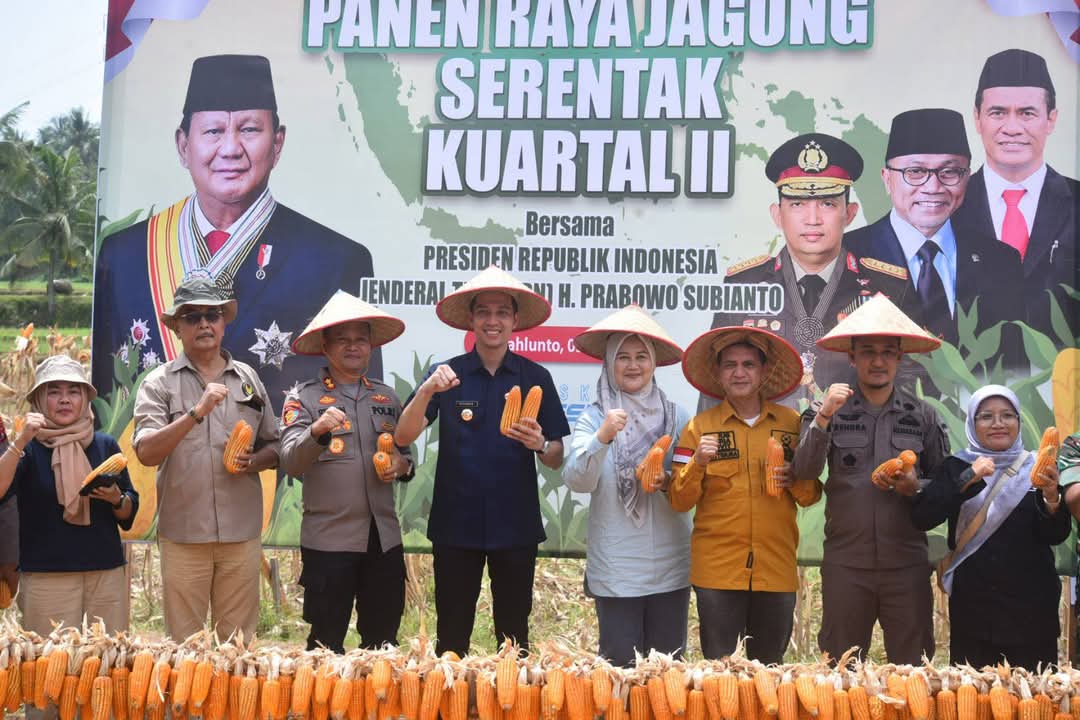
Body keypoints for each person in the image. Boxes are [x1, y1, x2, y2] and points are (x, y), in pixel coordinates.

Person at [92, 53, 378, 436]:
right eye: (213, 131)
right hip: (157, 469)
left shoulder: (337, 261)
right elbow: (105, 400)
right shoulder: (125, 254)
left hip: (271, 467)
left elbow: (361, 397)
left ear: (278, 143)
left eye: (249, 129)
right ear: (183, 145)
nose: (230, 149)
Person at [395, 265, 571, 656]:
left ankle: (511, 691)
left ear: (515, 321)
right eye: (484, 313)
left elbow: (556, 458)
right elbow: (403, 436)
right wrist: (425, 391)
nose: (493, 321)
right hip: (456, 524)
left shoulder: (535, 377)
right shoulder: (447, 375)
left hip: (516, 525)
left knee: (514, 636)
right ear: (471, 320)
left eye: (502, 313)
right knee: (451, 635)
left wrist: (541, 444)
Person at [706, 133, 922, 412]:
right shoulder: (744, 284)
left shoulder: (888, 287)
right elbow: (715, 384)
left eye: (827, 203)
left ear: (850, 213)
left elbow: (913, 383)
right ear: (777, 214)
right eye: (797, 204)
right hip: (763, 436)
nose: (812, 219)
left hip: (856, 435)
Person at [791, 294, 948, 664]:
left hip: (906, 564)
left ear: (900, 358)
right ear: (852, 357)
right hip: (847, 563)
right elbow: (804, 472)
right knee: (841, 670)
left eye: (887, 353)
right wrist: (824, 417)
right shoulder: (828, 410)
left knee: (911, 669)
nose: (878, 362)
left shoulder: (923, 416)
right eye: (868, 352)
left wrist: (915, 488)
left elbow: (945, 488)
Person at [133, 277, 279, 641]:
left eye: (212, 315)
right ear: (177, 328)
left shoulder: (247, 379)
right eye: (192, 317)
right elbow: (146, 452)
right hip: (184, 533)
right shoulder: (159, 383)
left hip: (240, 532)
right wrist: (195, 413)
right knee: (185, 645)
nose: (204, 324)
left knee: (237, 644)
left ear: (223, 323)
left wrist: (255, 461)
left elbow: (276, 446)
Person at [671, 326, 820, 663]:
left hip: (775, 568)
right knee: (720, 671)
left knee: (769, 671)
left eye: (749, 364)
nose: (739, 373)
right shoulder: (698, 428)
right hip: (717, 571)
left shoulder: (792, 425)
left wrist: (794, 477)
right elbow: (679, 500)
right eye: (730, 365)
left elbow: (810, 496)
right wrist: (697, 463)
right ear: (718, 373)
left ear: (764, 372)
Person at [280, 290, 414, 652]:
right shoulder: (303, 399)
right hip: (329, 542)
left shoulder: (388, 398)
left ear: (371, 346)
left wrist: (401, 465)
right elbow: (290, 460)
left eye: (360, 339)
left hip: (383, 539)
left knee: (383, 644)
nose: (353, 346)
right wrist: (317, 431)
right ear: (325, 347)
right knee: (325, 645)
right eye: (342, 339)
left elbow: (406, 457)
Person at [561, 305, 692, 667]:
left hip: (671, 563)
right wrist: (602, 437)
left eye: (641, 357)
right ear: (609, 363)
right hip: (616, 565)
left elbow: (691, 481)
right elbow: (577, 480)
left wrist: (667, 481)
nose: (633, 365)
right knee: (619, 669)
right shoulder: (594, 416)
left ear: (653, 363)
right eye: (623, 357)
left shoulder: (677, 417)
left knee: (666, 672)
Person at [911, 385, 1069, 669]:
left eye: (1007, 415)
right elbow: (923, 517)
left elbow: (1056, 535)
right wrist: (967, 478)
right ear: (972, 424)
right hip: (975, 609)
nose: (998, 423)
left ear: (1018, 422)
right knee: (975, 692)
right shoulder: (956, 466)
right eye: (986, 416)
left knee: (1034, 695)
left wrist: (1050, 496)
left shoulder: (1038, 467)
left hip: (1032, 611)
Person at [845, 108, 1023, 349]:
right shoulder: (846, 254)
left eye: (949, 172)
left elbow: (1013, 362)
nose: (933, 187)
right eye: (915, 172)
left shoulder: (1002, 261)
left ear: (967, 178)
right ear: (887, 179)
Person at [0, 356, 139, 641]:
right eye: (54, 392)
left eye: (73, 392)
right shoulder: (28, 450)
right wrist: (20, 440)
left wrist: (116, 498)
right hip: (46, 578)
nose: (65, 399)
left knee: (108, 659)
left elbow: (128, 512)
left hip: (106, 574)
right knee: (49, 661)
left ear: (85, 399)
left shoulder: (105, 445)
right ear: (40, 400)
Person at [952, 48, 1079, 342]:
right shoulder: (948, 206)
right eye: (997, 112)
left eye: (1027, 113)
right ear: (977, 119)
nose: (1011, 128)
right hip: (970, 368)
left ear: (1051, 119)